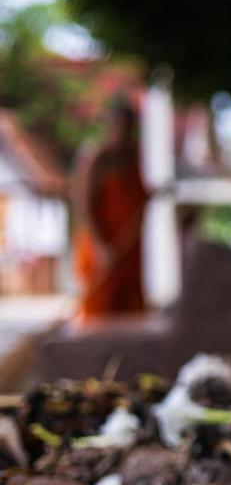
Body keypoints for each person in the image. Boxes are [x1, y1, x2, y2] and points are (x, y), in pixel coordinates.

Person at [71, 99, 149, 320]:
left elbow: (138, 197)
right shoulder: (98, 158)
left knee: (131, 314)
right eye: (118, 127)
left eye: (127, 128)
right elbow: (84, 207)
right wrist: (100, 247)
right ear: (110, 126)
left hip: (129, 253)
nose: (122, 134)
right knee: (99, 314)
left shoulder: (136, 157)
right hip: (103, 252)